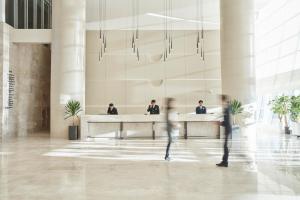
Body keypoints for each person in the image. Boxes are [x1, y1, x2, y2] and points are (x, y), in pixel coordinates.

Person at [216, 95, 232, 167]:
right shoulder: (227, 108)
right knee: (225, 146)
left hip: (227, 129)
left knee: (225, 146)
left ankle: (225, 162)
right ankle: (224, 161)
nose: (220, 102)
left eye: (221, 100)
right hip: (227, 129)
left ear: (223, 100)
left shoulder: (227, 108)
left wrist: (219, 123)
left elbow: (227, 122)